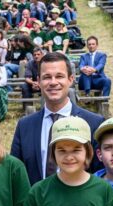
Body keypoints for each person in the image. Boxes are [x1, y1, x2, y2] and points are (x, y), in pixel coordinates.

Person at [11, 52, 105, 185]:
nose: (53, 82)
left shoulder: (94, 123)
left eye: (59, 76)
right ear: (38, 81)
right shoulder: (24, 126)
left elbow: (100, 174)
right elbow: (16, 174)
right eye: (47, 77)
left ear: (71, 79)